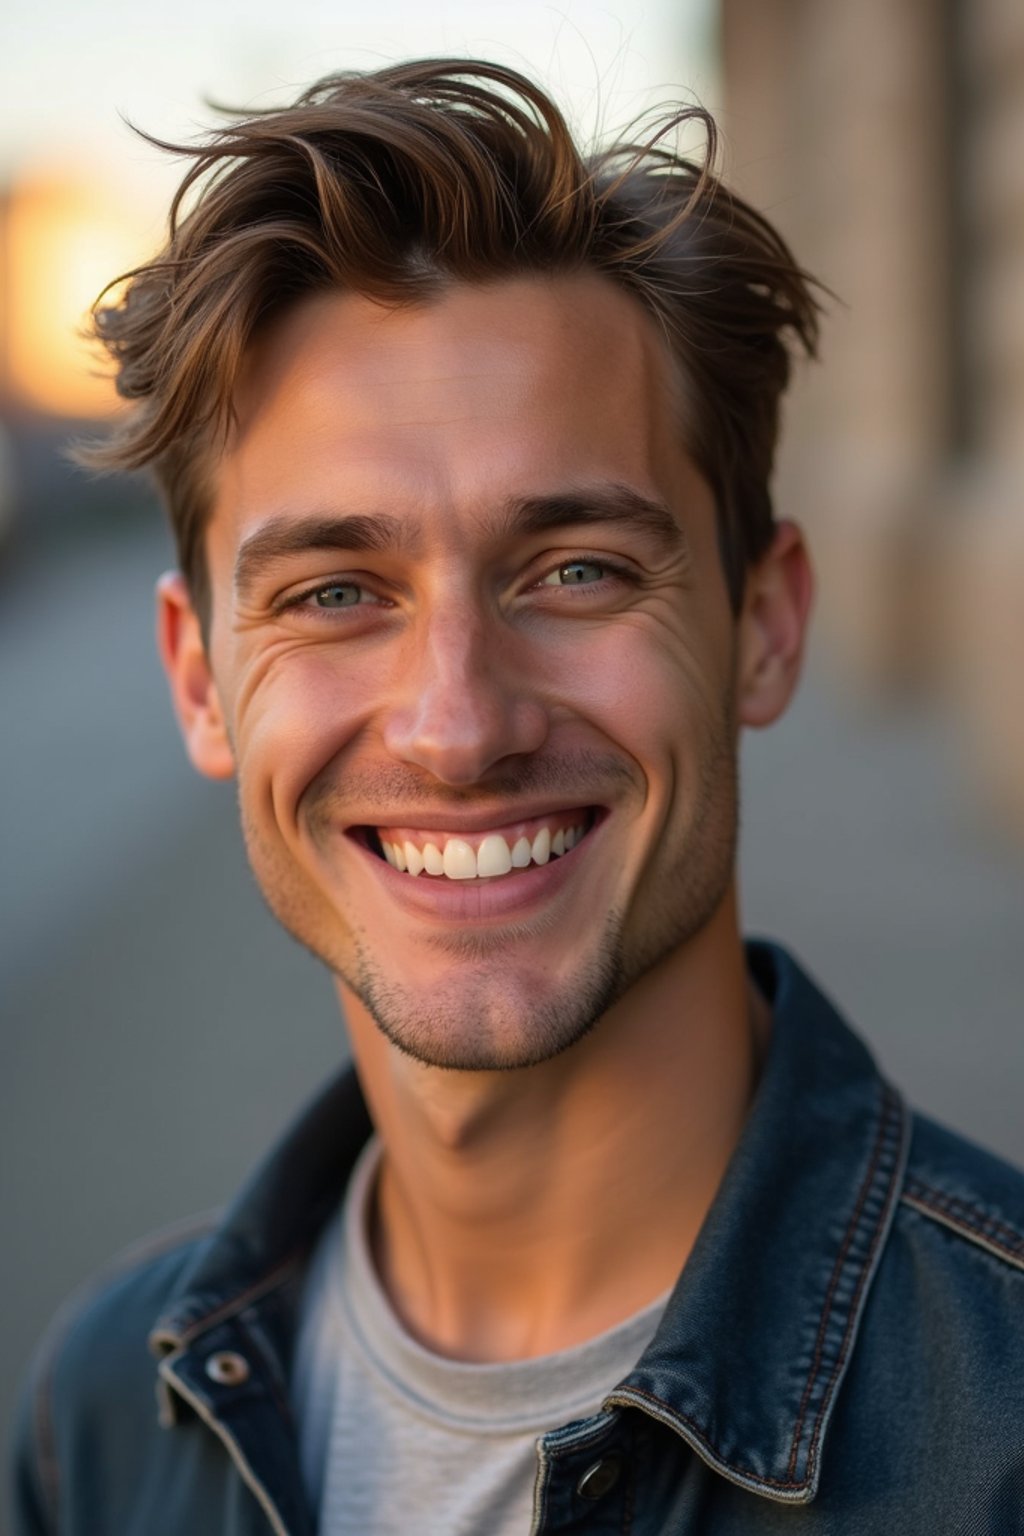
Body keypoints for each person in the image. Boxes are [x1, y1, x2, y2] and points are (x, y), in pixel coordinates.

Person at [11, 57, 1024, 1536]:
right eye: (337, 591)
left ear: (765, 623)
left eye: (577, 572)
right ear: (196, 679)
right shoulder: (101, 1415)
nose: (456, 723)